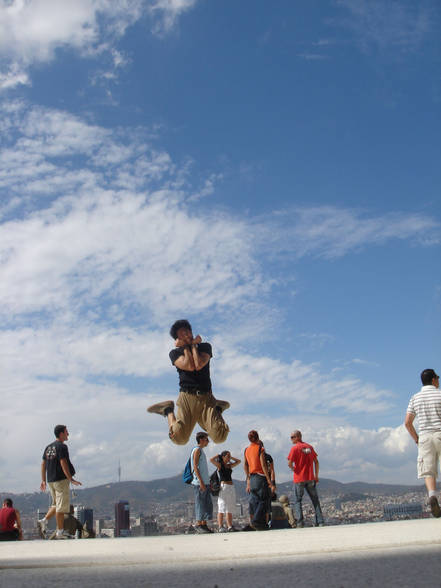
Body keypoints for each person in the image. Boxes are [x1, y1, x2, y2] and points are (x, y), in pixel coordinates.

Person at [147, 320, 230, 445]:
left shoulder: (205, 347)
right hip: (187, 397)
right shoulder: (175, 353)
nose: (186, 335)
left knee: (220, 437)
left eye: (187, 332)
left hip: (206, 398)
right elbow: (190, 366)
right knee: (179, 439)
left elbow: (199, 365)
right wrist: (186, 347)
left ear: (192, 332)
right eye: (182, 335)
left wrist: (194, 346)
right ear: (177, 339)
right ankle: (168, 410)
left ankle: (217, 408)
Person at [405, 368, 441, 518]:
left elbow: (407, 422)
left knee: (428, 470)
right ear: (433, 380)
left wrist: (417, 439)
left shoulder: (415, 398)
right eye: (437, 378)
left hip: (425, 436)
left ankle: (432, 495)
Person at [39, 425, 82, 539]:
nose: (68, 434)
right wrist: (70, 478)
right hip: (60, 479)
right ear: (61, 433)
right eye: (66, 432)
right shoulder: (62, 447)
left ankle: (44, 520)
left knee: (56, 504)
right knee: (61, 507)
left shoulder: (48, 448)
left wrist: (43, 480)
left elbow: (43, 464)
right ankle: (60, 531)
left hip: (51, 480)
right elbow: (63, 463)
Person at [287, 430, 324, 527]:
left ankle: (300, 522)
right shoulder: (310, 447)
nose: (291, 439)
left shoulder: (295, 448)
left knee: (298, 500)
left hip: (299, 478)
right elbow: (316, 462)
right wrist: (316, 475)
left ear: (298, 437)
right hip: (310, 477)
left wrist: (293, 469)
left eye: (292, 437)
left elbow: (289, 463)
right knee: (315, 500)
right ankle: (320, 521)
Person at [243, 430, 275, 530]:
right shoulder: (260, 448)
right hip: (260, 476)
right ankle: (257, 520)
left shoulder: (246, 449)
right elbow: (263, 464)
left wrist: (248, 476)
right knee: (264, 499)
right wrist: (268, 479)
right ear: (258, 437)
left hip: (251, 477)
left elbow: (245, 464)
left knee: (255, 501)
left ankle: (260, 524)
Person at [210, 450, 241, 532]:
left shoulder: (229, 466)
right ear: (223, 457)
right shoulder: (220, 466)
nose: (229, 458)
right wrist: (218, 455)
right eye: (227, 456)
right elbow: (211, 460)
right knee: (221, 506)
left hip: (231, 486)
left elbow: (239, 461)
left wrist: (231, 457)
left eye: (229, 456)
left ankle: (229, 526)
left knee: (229, 508)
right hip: (223, 486)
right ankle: (220, 526)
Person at [191, 431, 213, 533]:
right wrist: (201, 482)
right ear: (201, 440)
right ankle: (199, 524)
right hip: (200, 483)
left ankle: (204, 525)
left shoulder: (201, 451)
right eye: (206, 439)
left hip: (205, 482)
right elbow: (195, 466)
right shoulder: (197, 450)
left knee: (205, 504)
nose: (208, 441)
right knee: (200, 503)